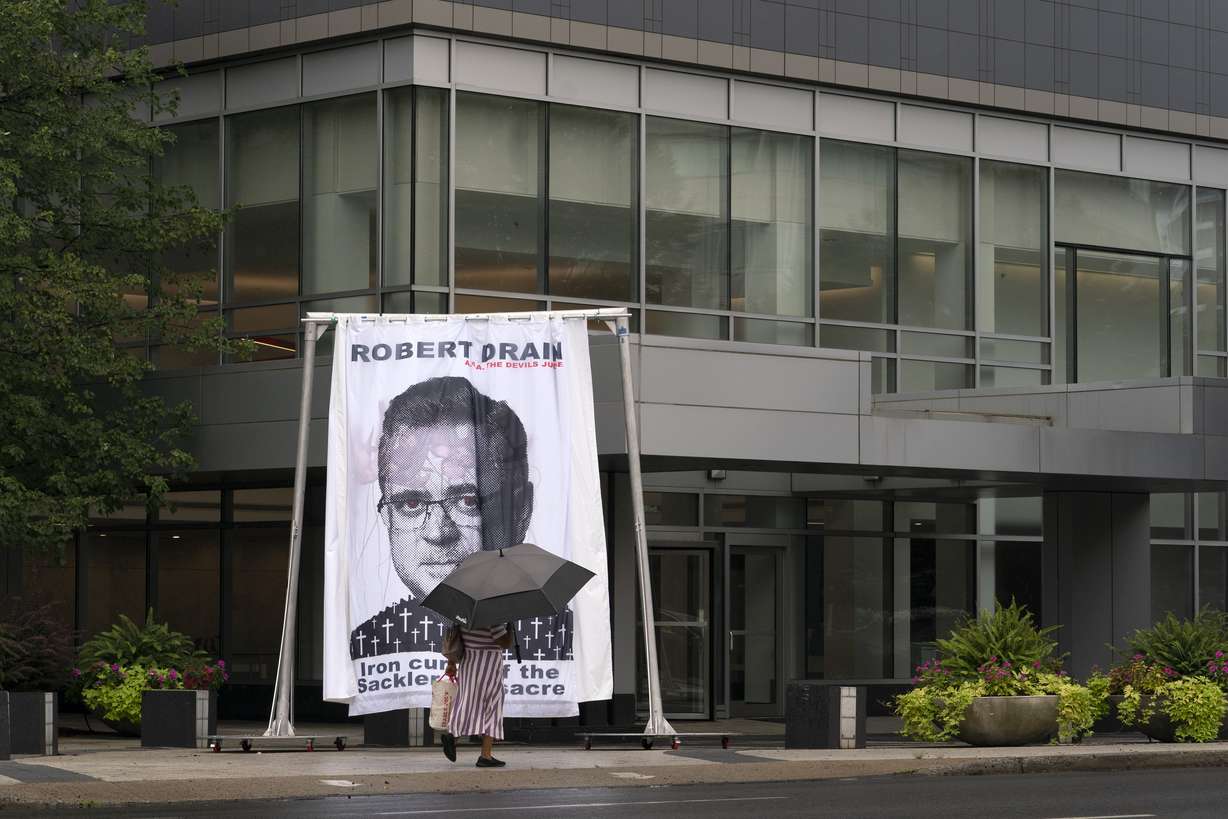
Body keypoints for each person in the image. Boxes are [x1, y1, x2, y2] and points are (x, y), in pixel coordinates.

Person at [349, 376, 535, 658]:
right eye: (411, 503)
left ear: (521, 510)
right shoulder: (365, 643)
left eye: (468, 501)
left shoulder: (565, 641)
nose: (438, 532)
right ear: (387, 516)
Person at [440, 623, 515, 767]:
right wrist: (511, 626)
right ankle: (485, 756)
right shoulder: (493, 618)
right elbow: (504, 643)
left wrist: (451, 663)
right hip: (488, 664)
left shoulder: (464, 616)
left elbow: (457, 638)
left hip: (468, 662)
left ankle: (452, 736)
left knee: (466, 702)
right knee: (493, 706)